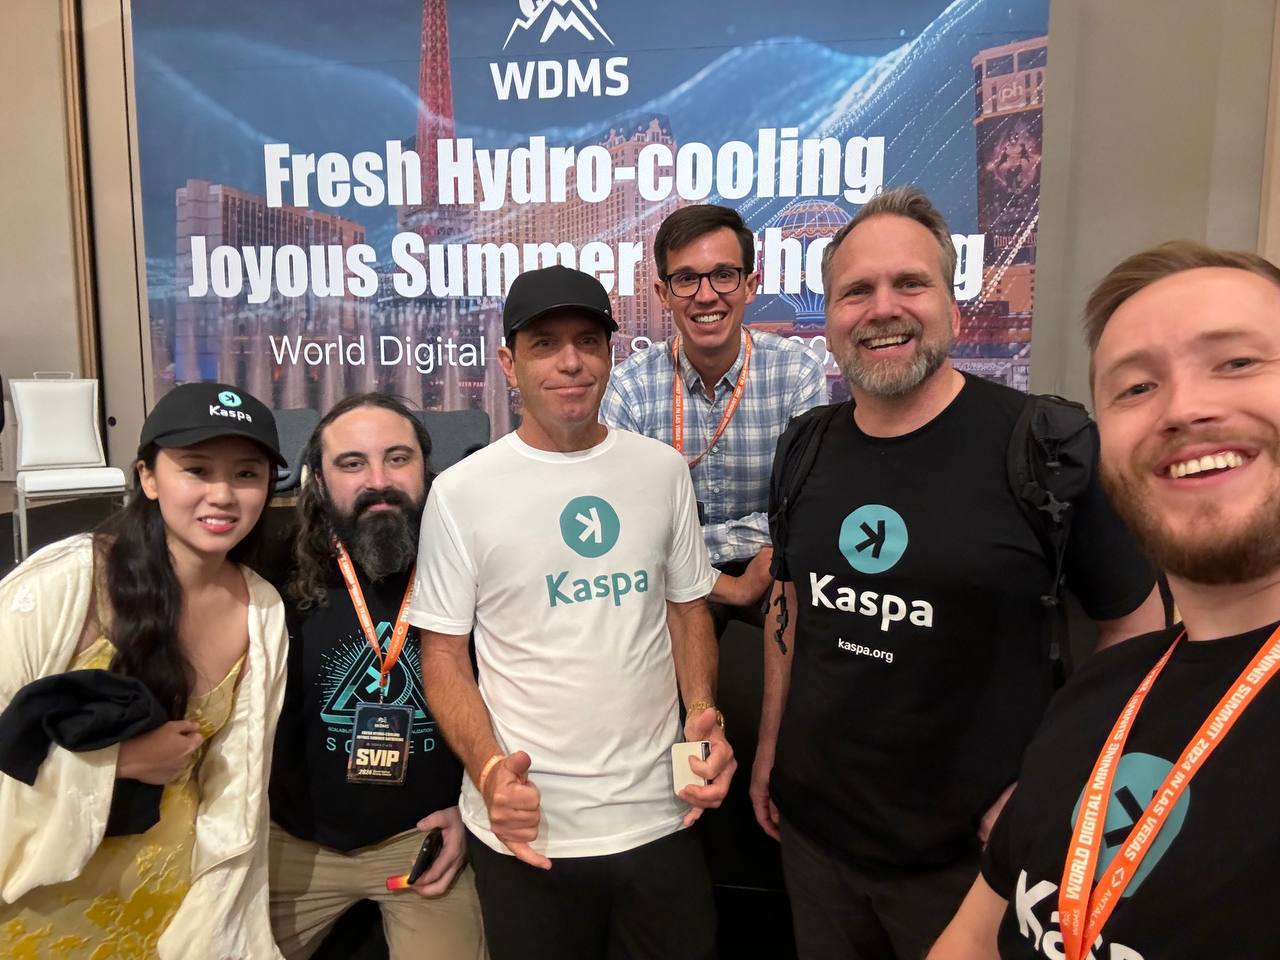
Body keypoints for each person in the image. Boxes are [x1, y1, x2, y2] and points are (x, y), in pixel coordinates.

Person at [752, 187, 1165, 960]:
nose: (883, 308)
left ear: (953, 304)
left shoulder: (1046, 446)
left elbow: (1139, 630)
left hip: (973, 862)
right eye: (856, 291)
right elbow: (790, 606)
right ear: (829, 318)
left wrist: (1057, 782)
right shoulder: (804, 447)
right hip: (815, 840)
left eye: (910, 283)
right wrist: (770, 748)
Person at [929, 242, 1280, 960]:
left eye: (1237, 362)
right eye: (1136, 387)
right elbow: (975, 937)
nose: (1185, 408)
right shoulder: (1099, 694)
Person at [409, 264, 735, 960]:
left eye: (588, 342)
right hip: (528, 829)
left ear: (611, 355)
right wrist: (491, 773)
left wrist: (704, 714)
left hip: (661, 817)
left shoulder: (661, 471)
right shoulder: (462, 492)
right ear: (509, 363)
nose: (570, 362)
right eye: (545, 344)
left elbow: (687, 610)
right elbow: (442, 656)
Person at [0, 381, 290, 959]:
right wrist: (114, 763)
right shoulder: (69, 582)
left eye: (246, 474)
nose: (222, 495)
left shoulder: (261, 609)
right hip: (40, 903)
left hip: (171, 907)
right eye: (196, 470)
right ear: (149, 477)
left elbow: (235, 792)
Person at [267, 394, 485, 959]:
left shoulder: (471, 564)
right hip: (293, 846)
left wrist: (472, 810)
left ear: (426, 470)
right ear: (318, 483)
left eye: (397, 458)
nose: (379, 481)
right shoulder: (270, 571)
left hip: (426, 842)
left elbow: (516, 697)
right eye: (352, 463)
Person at [601, 203, 828, 633]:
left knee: (801, 604)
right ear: (663, 293)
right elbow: (624, 526)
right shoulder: (629, 386)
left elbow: (804, 512)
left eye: (724, 275)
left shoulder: (796, 371)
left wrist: (684, 546)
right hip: (665, 582)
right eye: (686, 279)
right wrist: (723, 582)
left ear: (750, 285)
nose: (706, 296)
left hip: (770, 570)